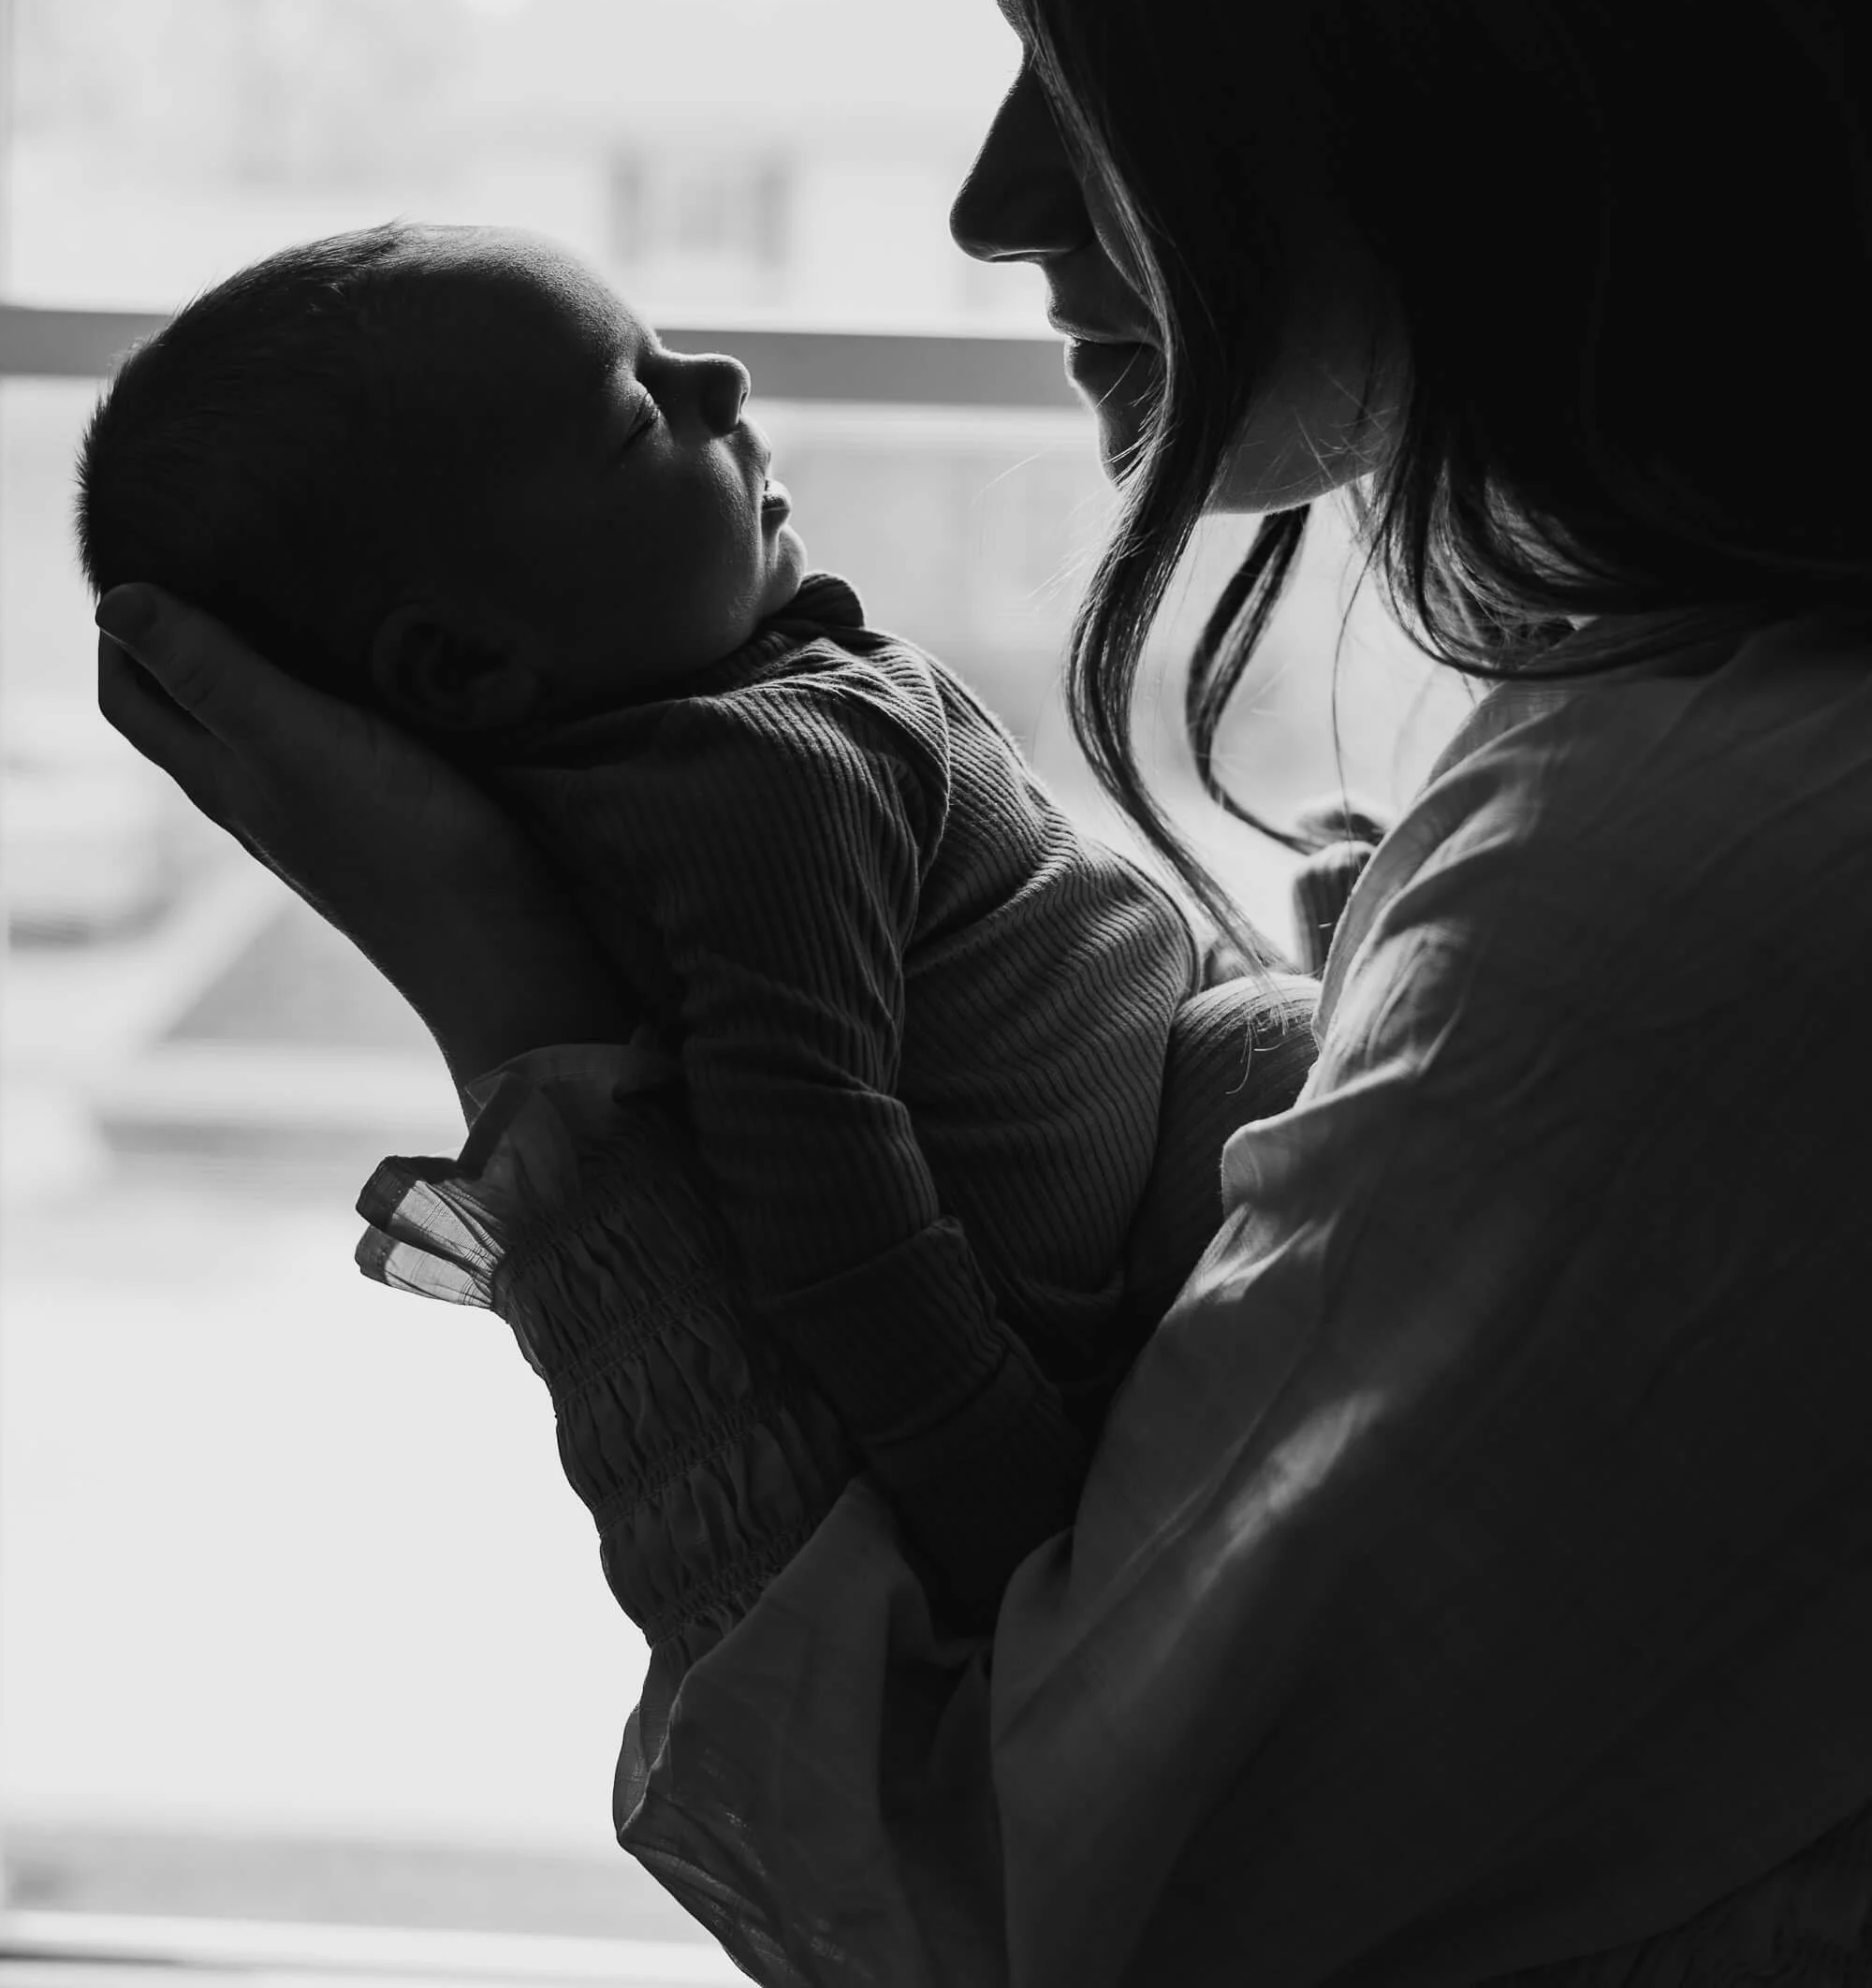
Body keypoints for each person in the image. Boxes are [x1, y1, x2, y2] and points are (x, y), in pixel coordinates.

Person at [92, 0, 1872, 1983]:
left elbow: (1004, 1908)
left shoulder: (1674, 892)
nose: (985, 191)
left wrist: (532, 1038)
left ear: (1450, 67)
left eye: (1099, 58)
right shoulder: (1700, 753)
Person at [72, 221, 1334, 1632]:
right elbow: (830, 1195)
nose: (723, 384)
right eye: (636, 417)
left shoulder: (709, 745)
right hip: (1102, 1321)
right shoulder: (759, 785)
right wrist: (1008, 1506)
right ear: (466, 661)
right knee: (1289, 1037)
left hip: (1130, 1207)